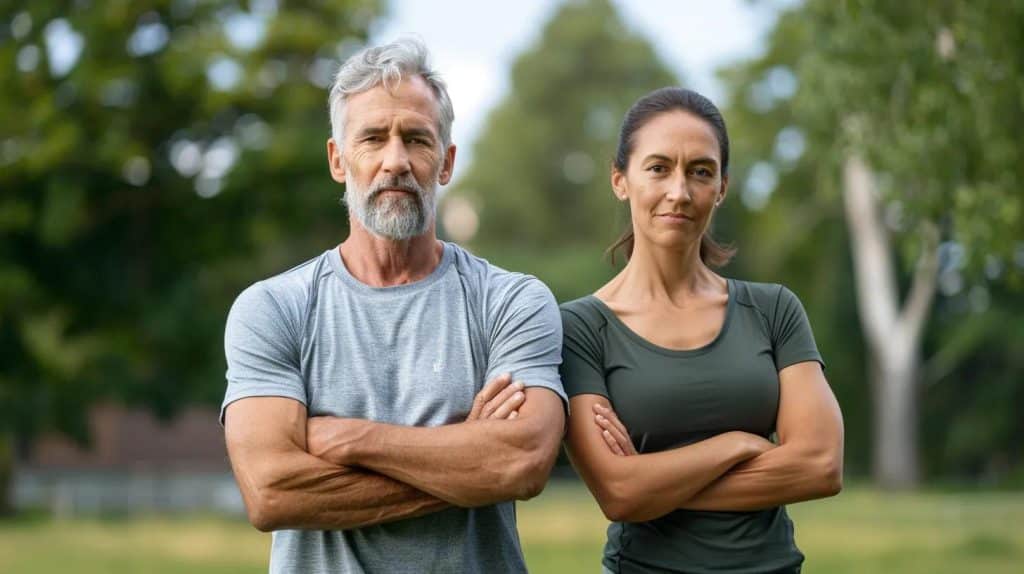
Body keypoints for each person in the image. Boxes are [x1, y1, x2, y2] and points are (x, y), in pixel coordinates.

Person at [220, 38, 566, 574]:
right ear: (338, 160)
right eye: (373, 138)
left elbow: (520, 463)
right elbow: (271, 493)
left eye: (417, 140)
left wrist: (346, 437)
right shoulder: (273, 308)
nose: (396, 161)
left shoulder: (510, 301)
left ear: (446, 162)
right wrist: (465, 459)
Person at [559, 87, 844, 574]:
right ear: (619, 179)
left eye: (700, 171)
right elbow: (619, 492)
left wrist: (655, 485)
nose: (680, 191)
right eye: (658, 168)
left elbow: (820, 465)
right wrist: (735, 444)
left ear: (722, 187)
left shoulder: (773, 309)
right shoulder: (579, 328)